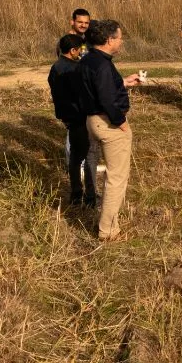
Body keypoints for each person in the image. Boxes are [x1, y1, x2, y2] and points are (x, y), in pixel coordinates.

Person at [79, 20, 140, 241]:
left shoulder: (90, 59)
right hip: (108, 124)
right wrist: (121, 122)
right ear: (109, 40)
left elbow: (97, 88)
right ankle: (108, 230)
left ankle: (107, 221)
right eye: (119, 37)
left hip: (92, 121)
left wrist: (123, 83)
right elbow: (106, 99)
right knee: (116, 178)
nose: (121, 41)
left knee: (110, 174)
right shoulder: (103, 65)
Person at [48, 34, 96, 206]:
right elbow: (83, 93)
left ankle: (76, 193)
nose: (80, 53)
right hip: (79, 117)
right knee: (89, 155)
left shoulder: (55, 67)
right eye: (79, 50)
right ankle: (90, 197)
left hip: (67, 117)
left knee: (75, 157)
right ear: (73, 50)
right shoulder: (73, 70)